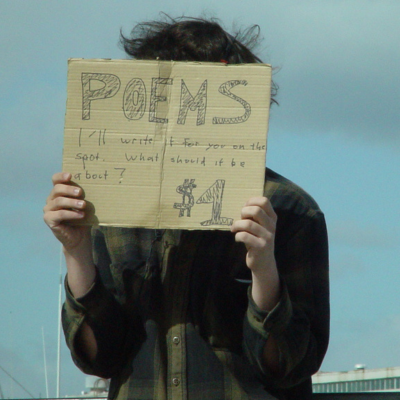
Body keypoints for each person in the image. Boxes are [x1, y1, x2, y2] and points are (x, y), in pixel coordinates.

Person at [43, 16, 329, 400]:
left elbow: (288, 366)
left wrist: (264, 271)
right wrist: (75, 251)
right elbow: (100, 359)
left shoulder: (290, 210)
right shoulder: (108, 204)